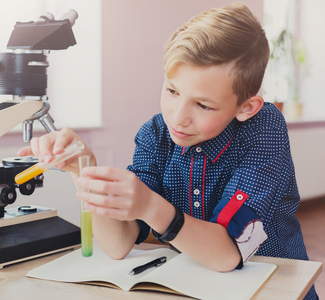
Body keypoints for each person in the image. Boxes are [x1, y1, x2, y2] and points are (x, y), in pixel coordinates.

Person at [18, 3, 317, 299]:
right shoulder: (155, 134)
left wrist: (151, 206)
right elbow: (119, 243)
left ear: (245, 107)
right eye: (172, 91)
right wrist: (83, 170)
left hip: (276, 287)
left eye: (203, 105)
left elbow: (228, 254)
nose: (178, 118)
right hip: (198, 287)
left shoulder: (263, 127)